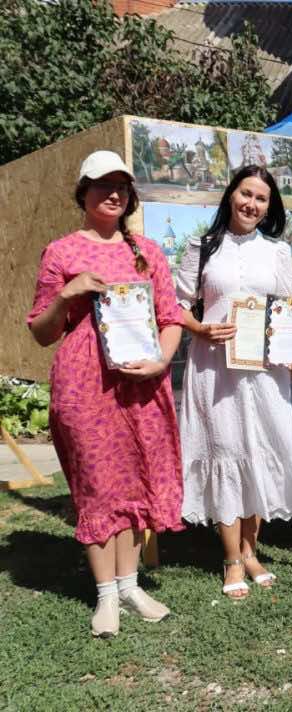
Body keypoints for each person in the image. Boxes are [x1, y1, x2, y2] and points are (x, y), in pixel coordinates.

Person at [27, 150, 184, 638]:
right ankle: (106, 595)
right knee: (97, 486)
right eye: (102, 185)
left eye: (122, 186)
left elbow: (170, 318)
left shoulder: (148, 252)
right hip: (85, 385)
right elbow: (41, 332)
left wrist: (161, 361)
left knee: (134, 480)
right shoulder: (61, 252)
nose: (113, 194)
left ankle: (130, 585)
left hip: (140, 382)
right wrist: (66, 295)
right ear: (83, 192)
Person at [175, 165, 292, 600]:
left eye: (261, 198)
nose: (251, 204)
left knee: (259, 450)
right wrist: (200, 329)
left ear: (269, 206)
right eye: (245, 194)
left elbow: (286, 310)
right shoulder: (202, 247)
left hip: (263, 370)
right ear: (231, 195)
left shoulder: (278, 251)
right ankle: (231, 558)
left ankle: (250, 550)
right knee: (225, 450)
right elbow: (175, 304)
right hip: (214, 369)